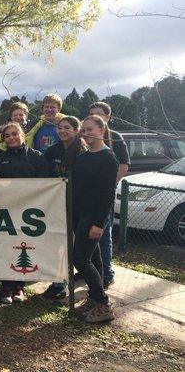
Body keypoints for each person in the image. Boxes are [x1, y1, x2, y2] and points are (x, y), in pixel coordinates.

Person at [0, 122, 48, 303]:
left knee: (24, 247)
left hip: (29, 212)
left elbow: (45, 183)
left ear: (22, 135)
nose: (11, 138)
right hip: (5, 210)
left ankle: (19, 286)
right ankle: (6, 287)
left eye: (14, 134)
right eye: (7, 136)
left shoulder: (36, 156)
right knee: (6, 247)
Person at [72, 115, 118, 323]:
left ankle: (103, 303)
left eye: (90, 129)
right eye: (83, 129)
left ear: (101, 129)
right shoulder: (82, 158)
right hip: (79, 215)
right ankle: (94, 298)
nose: (86, 133)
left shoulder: (109, 158)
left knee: (80, 259)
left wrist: (99, 224)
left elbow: (108, 194)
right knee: (95, 259)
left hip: (94, 217)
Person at [41, 116, 87, 299]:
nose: (62, 131)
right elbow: (43, 173)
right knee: (59, 243)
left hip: (78, 205)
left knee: (74, 246)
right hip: (55, 204)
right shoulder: (52, 151)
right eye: (59, 128)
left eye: (66, 127)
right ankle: (59, 283)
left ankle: (73, 281)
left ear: (77, 130)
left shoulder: (84, 152)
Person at [87, 102, 130, 289]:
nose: (95, 116)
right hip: (88, 197)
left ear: (107, 118)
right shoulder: (87, 137)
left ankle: (107, 272)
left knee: (104, 235)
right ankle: (92, 269)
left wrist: (110, 185)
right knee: (88, 235)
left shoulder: (116, 138)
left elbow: (123, 165)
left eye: (99, 114)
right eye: (91, 114)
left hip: (104, 196)